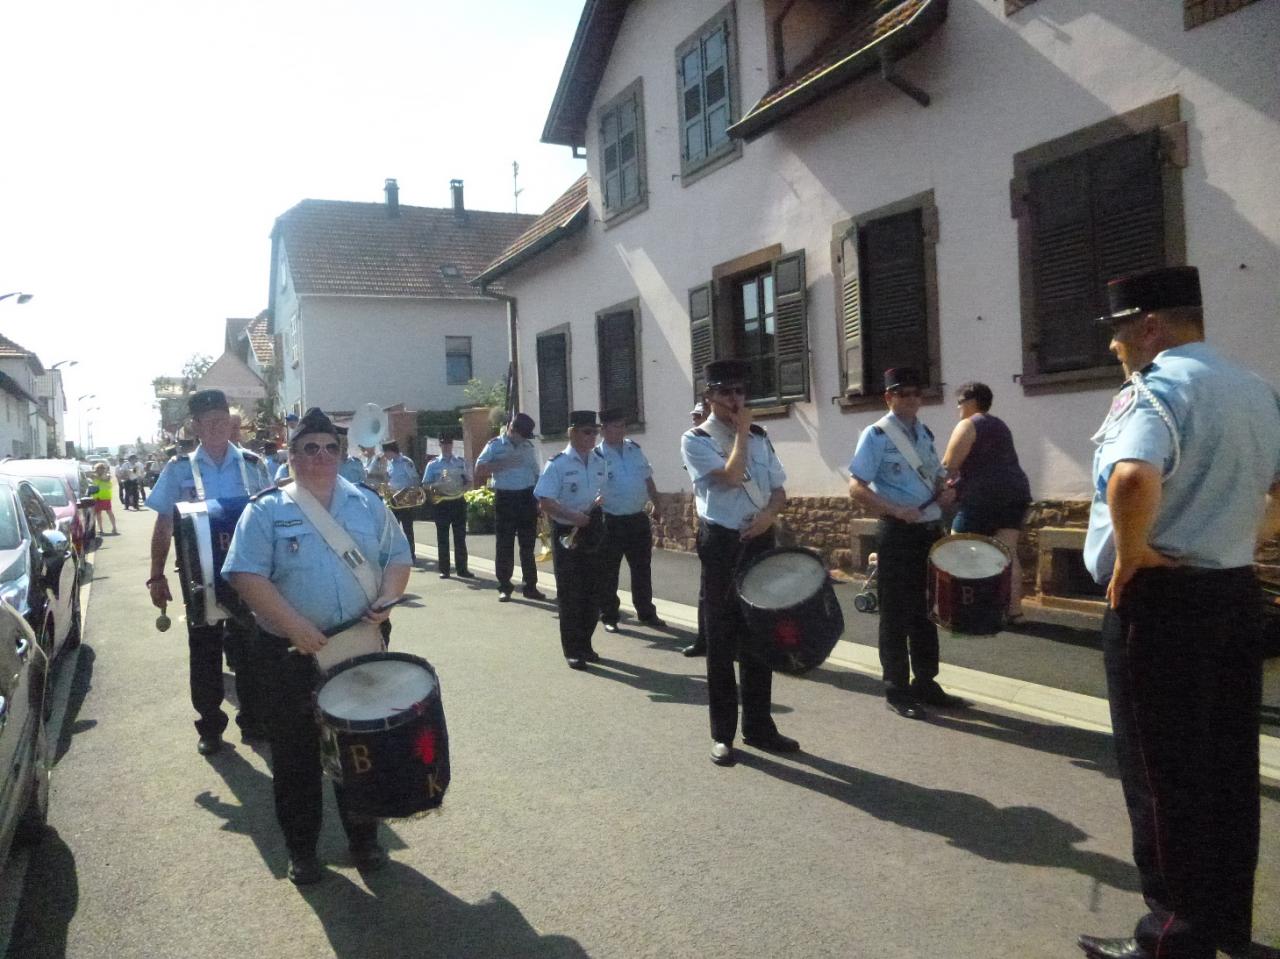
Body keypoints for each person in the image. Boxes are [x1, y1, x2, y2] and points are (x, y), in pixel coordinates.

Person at [1076, 266, 1280, 959]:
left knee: (1162, 773)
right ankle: (1224, 923)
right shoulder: (1255, 389)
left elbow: (1133, 475)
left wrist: (1131, 555)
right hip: (1232, 590)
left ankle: (1171, 934)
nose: (1115, 347)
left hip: (1163, 601)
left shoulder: (1159, 387)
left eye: (1118, 331)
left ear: (1150, 325)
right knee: (1227, 766)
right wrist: (1246, 538)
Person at [224, 407, 412, 886]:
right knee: (296, 754)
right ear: (292, 455)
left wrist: (389, 598)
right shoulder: (266, 509)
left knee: (360, 747)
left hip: (360, 643)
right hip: (291, 652)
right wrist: (292, 626)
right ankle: (303, 850)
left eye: (330, 447)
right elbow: (245, 575)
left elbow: (397, 558)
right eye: (310, 448)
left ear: (341, 453)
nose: (322, 456)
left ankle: (365, 840)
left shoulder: (367, 503)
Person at [681, 359, 797, 767]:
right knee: (722, 638)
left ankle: (760, 726)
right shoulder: (696, 439)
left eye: (740, 392)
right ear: (709, 396)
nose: (736, 400)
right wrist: (743, 431)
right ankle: (723, 734)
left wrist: (770, 515)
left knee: (759, 635)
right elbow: (730, 478)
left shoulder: (762, 437)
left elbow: (780, 489)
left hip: (759, 537)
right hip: (723, 544)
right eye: (727, 393)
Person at [145, 389, 273, 755]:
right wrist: (157, 575)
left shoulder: (253, 465)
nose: (216, 427)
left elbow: (271, 519)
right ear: (196, 426)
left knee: (251, 647)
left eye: (222, 419)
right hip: (198, 575)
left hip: (249, 574)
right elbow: (164, 523)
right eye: (208, 421)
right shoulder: (179, 469)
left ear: (230, 422)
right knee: (204, 650)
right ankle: (211, 727)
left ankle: (255, 719)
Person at [848, 367, 963, 721]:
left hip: (929, 531)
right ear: (888, 397)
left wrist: (945, 491)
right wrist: (896, 509)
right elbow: (856, 487)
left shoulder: (924, 434)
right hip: (898, 533)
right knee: (896, 614)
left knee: (927, 610)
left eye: (916, 392)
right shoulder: (877, 436)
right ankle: (897, 688)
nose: (911, 398)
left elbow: (935, 476)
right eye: (902, 392)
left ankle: (926, 681)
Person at [940, 382, 1032, 620]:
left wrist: (938, 487)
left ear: (970, 401)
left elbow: (948, 466)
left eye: (959, 402)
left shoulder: (968, 424)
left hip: (984, 496)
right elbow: (989, 463)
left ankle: (961, 610)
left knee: (957, 545)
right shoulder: (999, 425)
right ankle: (1014, 612)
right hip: (1016, 492)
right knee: (1007, 551)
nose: (958, 408)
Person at [535, 411, 608, 669]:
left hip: (592, 527)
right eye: (587, 432)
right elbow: (544, 500)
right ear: (572, 432)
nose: (592, 437)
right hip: (568, 531)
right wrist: (573, 516)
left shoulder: (599, 460)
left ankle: (586, 644)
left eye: (595, 432)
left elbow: (603, 491)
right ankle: (572, 649)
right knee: (571, 594)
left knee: (593, 591)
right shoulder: (558, 464)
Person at [595, 409, 665, 632]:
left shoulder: (634, 449)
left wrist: (657, 503)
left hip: (637, 518)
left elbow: (647, 477)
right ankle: (609, 615)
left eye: (623, 425)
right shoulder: (596, 456)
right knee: (608, 570)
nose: (622, 430)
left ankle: (645, 611)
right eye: (616, 426)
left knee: (642, 568)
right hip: (611, 519)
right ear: (603, 429)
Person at [476, 413, 546, 602]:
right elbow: (479, 469)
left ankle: (530, 586)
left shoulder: (528, 447)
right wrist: (502, 464)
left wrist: (540, 499)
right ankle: (505, 586)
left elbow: (536, 473)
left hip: (527, 497)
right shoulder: (495, 445)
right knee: (504, 544)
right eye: (522, 435)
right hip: (505, 497)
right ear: (512, 430)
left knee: (528, 545)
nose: (523, 439)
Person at [681, 400, 709, 657]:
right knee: (708, 589)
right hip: (711, 523)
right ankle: (705, 639)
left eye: (699, 416)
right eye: (694, 416)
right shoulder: (694, 443)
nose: (694, 420)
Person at [423, 430, 471, 579]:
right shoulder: (433, 465)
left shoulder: (460, 462)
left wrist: (465, 488)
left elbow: (468, 480)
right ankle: (444, 569)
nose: (447, 446)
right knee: (442, 537)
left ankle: (462, 569)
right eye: (444, 444)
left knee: (460, 537)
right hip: (442, 503)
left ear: (452, 445)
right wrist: (437, 485)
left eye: (449, 444)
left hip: (457, 501)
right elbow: (425, 484)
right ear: (440, 445)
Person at [382, 441, 420, 560]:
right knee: (393, 529)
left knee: (408, 528)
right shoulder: (390, 464)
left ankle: (411, 554)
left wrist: (409, 495)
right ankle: (397, 554)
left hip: (405, 500)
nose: (385, 455)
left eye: (386, 452)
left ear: (391, 451)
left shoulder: (406, 462)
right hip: (393, 500)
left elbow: (414, 480)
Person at [92, 463, 118, 534]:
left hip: (105, 497)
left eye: (101, 468)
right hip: (97, 498)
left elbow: (105, 479)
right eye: (98, 469)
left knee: (109, 512)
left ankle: (114, 527)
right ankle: (101, 529)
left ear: (103, 469)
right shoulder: (94, 476)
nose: (99, 470)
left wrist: (96, 476)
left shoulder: (107, 475)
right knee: (98, 514)